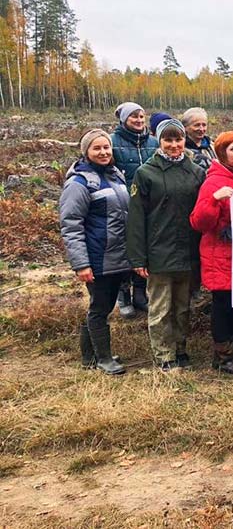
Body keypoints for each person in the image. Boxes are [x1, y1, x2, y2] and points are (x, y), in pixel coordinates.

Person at [126, 119, 205, 371]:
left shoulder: (196, 172)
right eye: (168, 140)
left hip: (187, 252)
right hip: (159, 253)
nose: (174, 145)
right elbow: (136, 219)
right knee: (160, 308)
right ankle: (164, 355)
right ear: (158, 141)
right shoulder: (146, 173)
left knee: (182, 307)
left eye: (178, 139)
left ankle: (180, 349)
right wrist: (138, 258)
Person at [59, 129, 132, 375]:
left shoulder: (115, 175)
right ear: (86, 152)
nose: (103, 152)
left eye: (106, 147)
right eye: (97, 148)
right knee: (100, 308)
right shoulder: (78, 183)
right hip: (98, 258)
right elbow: (71, 225)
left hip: (116, 256)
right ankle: (104, 358)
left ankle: (89, 356)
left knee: (100, 306)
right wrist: (81, 264)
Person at [190, 131, 233, 374]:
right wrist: (214, 200)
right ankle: (223, 356)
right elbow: (198, 222)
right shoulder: (214, 182)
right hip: (220, 254)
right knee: (224, 307)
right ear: (221, 154)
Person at [111, 101, 158, 318]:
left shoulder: (153, 142)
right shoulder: (113, 142)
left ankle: (140, 293)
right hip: (123, 204)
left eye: (142, 116)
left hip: (149, 204)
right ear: (124, 120)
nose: (139, 120)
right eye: (134, 117)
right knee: (124, 250)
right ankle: (123, 296)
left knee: (143, 249)